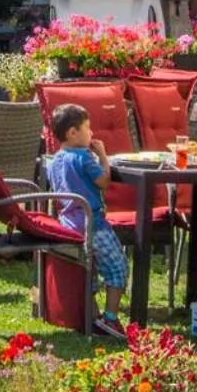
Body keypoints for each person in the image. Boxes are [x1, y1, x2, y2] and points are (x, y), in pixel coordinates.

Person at [45, 102, 128, 338]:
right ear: (73, 133)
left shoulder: (56, 160)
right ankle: (110, 319)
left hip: (69, 224)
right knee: (117, 268)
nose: (91, 133)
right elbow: (103, 181)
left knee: (88, 271)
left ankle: (91, 318)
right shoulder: (83, 157)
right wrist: (103, 155)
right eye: (88, 128)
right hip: (93, 224)